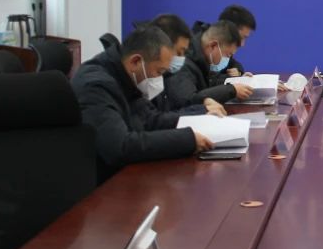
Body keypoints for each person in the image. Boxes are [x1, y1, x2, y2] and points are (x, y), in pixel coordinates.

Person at [71, 26, 214, 183]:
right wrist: (188, 140)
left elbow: (150, 120)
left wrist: (202, 116)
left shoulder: (125, 76)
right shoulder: (95, 86)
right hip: (102, 184)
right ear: (136, 61)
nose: (160, 79)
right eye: (159, 72)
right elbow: (120, 147)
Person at [146, 14, 231, 117]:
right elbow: (155, 121)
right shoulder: (146, 83)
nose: (182, 59)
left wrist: (203, 105)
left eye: (183, 53)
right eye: (179, 52)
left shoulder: (163, 75)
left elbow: (160, 117)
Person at [170, 20, 255, 108]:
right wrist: (231, 90)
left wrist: (237, 81)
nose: (228, 60)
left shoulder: (204, 58)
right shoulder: (183, 64)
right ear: (213, 46)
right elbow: (188, 101)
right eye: (228, 55)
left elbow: (213, 81)